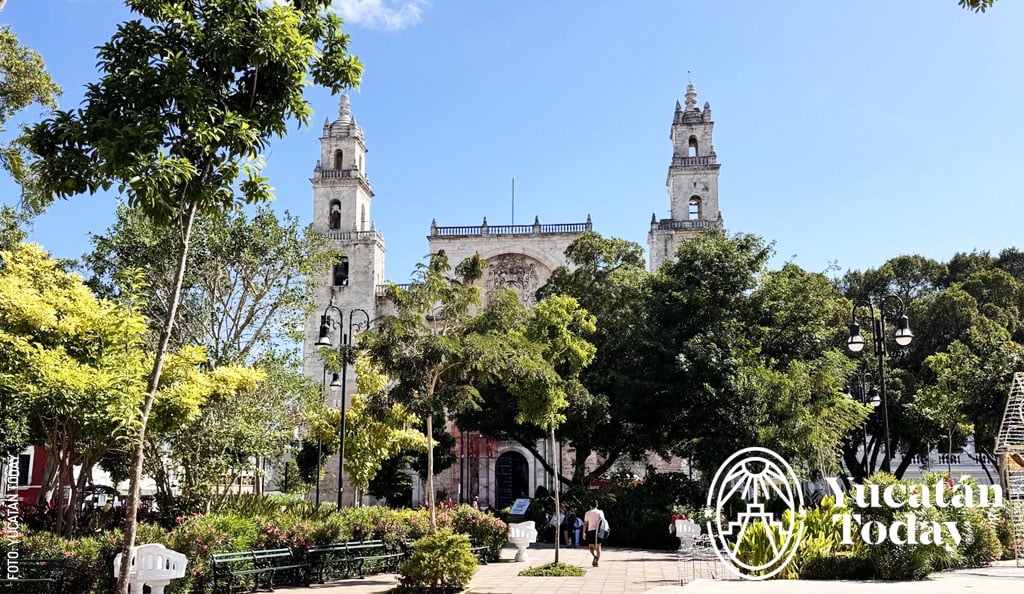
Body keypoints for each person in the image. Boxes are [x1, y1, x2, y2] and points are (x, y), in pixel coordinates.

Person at [583, 500, 607, 567]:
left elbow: (585, 524)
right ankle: (597, 561)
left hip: (590, 530)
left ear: (590, 506)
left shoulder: (587, 513)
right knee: (598, 547)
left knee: (591, 547)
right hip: (599, 531)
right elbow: (603, 522)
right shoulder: (600, 512)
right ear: (597, 505)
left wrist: (583, 533)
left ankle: (594, 556)